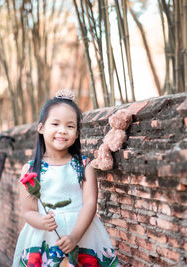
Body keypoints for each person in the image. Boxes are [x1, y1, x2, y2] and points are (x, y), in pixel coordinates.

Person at [12, 89, 119, 266]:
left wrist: (75, 236)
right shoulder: (30, 170)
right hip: (45, 238)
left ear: (76, 133)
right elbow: (28, 211)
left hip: (83, 233)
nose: (62, 131)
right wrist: (41, 221)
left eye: (70, 126)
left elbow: (90, 203)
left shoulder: (84, 166)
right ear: (41, 128)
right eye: (55, 124)